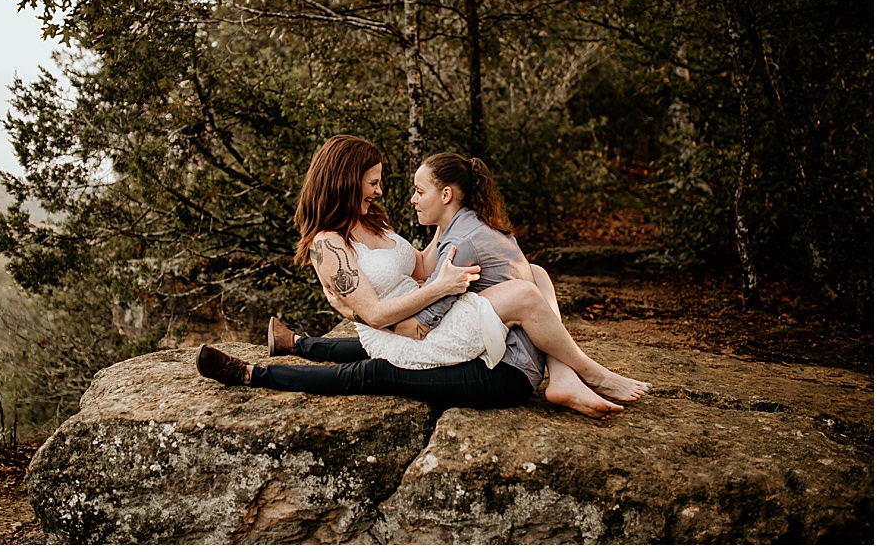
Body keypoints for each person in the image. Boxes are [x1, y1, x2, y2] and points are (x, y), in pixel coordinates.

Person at [197, 136, 648, 418]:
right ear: (345, 180)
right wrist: (439, 289)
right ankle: (589, 372)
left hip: (433, 317)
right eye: (372, 182)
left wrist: (453, 220)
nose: (379, 191)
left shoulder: (373, 222)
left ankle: (563, 373)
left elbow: (421, 265)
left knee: (535, 272)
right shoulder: (327, 244)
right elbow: (372, 312)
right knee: (521, 295)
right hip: (409, 334)